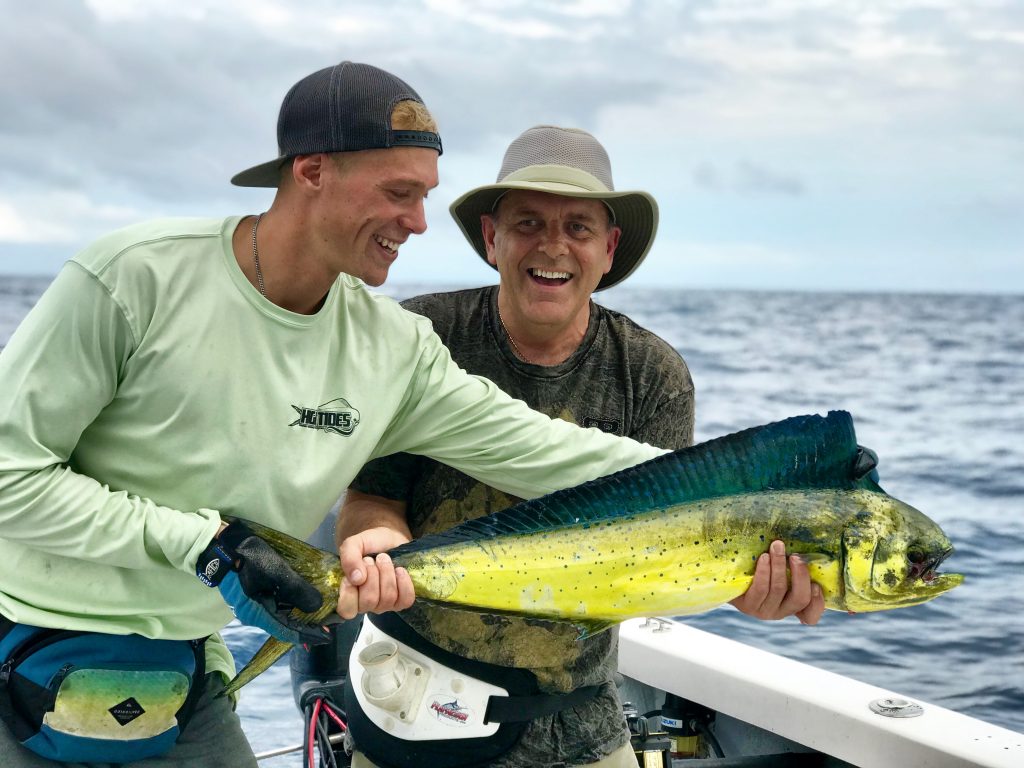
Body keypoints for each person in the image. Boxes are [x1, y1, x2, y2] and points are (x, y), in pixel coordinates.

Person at [0, 66, 671, 768]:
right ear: (312, 171)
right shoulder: (134, 277)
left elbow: (553, 453)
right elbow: (10, 477)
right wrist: (205, 543)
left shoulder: (393, 347)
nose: (417, 222)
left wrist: (755, 496)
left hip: (186, 686)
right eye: (398, 193)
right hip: (21, 653)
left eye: (424, 197)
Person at [336, 126, 825, 768]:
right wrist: (378, 541)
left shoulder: (652, 374)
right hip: (415, 706)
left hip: (576, 718)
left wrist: (741, 585)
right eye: (529, 223)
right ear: (493, 238)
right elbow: (371, 496)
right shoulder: (421, 336)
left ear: (609, 247)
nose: (553, 247)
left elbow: (668, 546)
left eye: (578, 227)